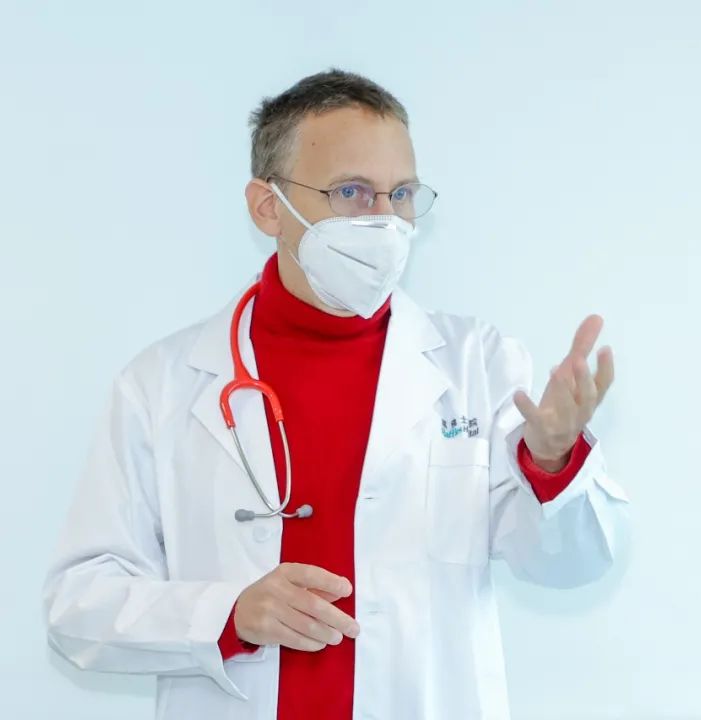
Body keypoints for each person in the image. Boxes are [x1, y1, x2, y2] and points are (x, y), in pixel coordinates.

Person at [43, 68, 631, 720]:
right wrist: (228, 615)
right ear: (268, 207)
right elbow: (78, 607)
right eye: (352, 192)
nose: (385, 220)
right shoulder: (162, 384)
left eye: (400, 193)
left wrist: (552, 463)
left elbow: (571, 564)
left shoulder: (477, 365)